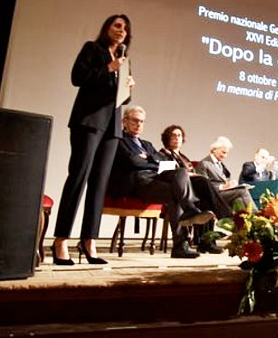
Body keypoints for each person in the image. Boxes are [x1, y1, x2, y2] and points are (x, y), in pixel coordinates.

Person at [52, 14, 134, 266]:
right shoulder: (93, 49)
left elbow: (123, 99)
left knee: (99, 185)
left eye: (125, 28)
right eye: (117, 25)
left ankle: (89, 240)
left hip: (112, 128)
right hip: (88, 122)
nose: (121, 30)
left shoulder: (125, 60)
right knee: (78, 177)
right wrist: (108, 69)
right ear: (107, 28)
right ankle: (61, 239)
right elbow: (77, 77)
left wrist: (129, 86)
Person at [107, 106, 216, 258]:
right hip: (138, 183)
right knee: (177, 192)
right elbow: (134, 162)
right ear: (124, 121)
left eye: (142, 122)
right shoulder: (119, 141)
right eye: (135, 121)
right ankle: (188, 216)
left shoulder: (147, 145)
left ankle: (180, 245)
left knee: (180, 175)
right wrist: (153, 161)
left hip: (154, 180)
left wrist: (149, 159)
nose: (139, 124)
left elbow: (162, 164)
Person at [158, 124, 232, 253]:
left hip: (191, 191)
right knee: (203, 182)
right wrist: (189, 174)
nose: (177, 138)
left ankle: (207, 242)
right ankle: (225, 216)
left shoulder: (184, 157)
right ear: (167, 138)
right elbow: (166, 174)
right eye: (173, 135)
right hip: (178, 191)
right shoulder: (163, 154)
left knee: (206, 198)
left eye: (179, 135)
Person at [195, 136, 256, 209]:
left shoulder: (221, 165)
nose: (225, 156)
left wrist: (232, 185)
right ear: (214, 149)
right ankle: (257, 215)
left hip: (223, 194)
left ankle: (246, 219)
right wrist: (222, 187)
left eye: (227, 153)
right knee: (243, 191)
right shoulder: (204, 164)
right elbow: (203, 188)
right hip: (213, 196)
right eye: (223, 152)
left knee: (239, 200)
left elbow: (226, 180)